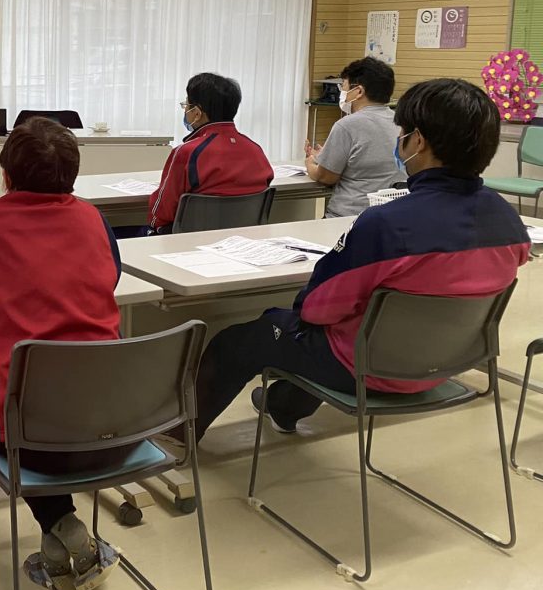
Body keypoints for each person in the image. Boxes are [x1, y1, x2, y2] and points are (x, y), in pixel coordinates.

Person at [192, 78, 531, 442]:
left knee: (245, 338)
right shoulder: (508, 220)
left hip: (370, 366)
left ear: (418, 141)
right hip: (448, 362)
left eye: (402, 133)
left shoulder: (388, 223)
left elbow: (318, 309)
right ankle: (284, 406)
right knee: (323, 328)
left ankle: (179, 439)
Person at [0, 117, 123, 590]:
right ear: (74, 175)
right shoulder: (93, 218)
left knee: (18, 412)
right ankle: (65, 531)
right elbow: (112, 273)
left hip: (28, 430)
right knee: (47, 408)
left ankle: (62, 530)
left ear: (6, 175)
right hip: (118, 422)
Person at [146, 72, 273, 234]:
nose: (185, 110)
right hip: (244, 241)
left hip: (187, 243)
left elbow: (161, 214)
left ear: (197, 113)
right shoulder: (255, 150)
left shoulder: (187, 152)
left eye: (186, 105)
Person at [305, 57, 401, 217]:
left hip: (349, 217)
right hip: (391, 217)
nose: (342, 92)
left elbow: (326, 177)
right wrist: (326, 156)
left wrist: (310, 163)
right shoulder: (402, 122)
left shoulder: (347, 125)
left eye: (343, 86)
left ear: (359, 91)